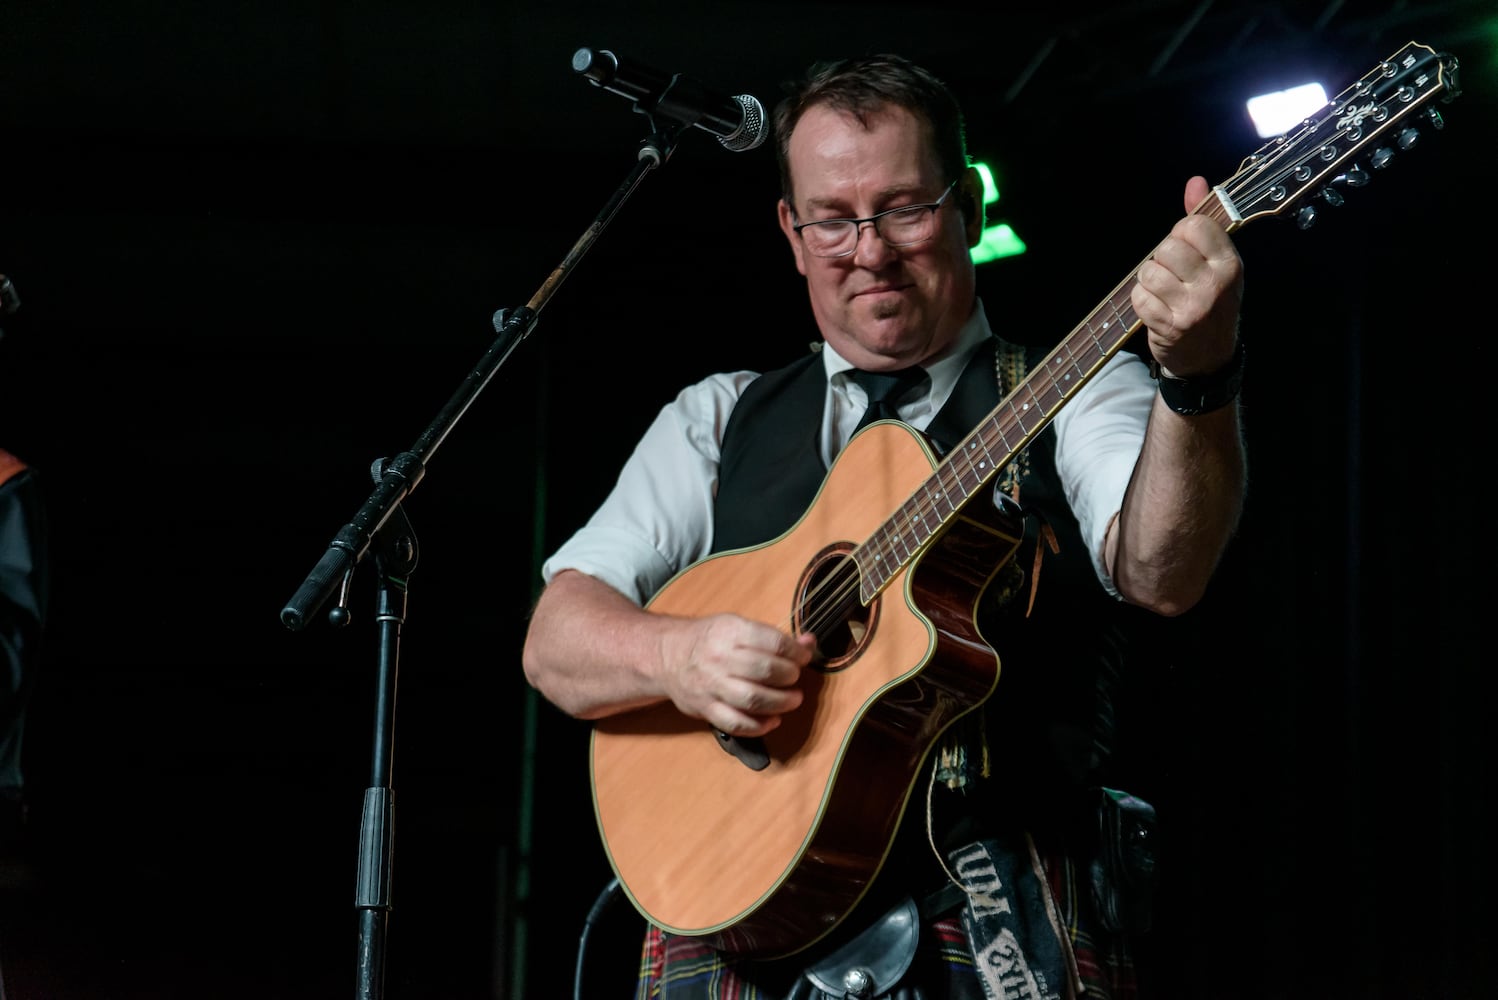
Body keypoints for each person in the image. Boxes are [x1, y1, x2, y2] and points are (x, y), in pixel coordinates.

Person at [522, 52, 1246, 999]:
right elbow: (556, 642)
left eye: (905, 208)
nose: (869, 249)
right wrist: (679, 660)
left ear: (969, 210)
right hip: (738, 912)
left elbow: (1163, 572)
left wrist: (1198, 377)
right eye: (832, 218)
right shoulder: (717, 417)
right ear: (791, 230)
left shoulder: (1076, 388)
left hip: (1002, 910)